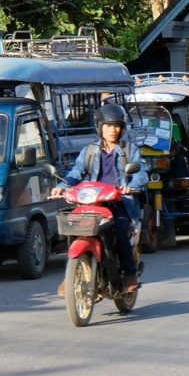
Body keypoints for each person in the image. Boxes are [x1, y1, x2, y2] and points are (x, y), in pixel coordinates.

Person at [64, 103, 146, 292]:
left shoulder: (129, 150)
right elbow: (76, 172)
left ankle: (129, 273)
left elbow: (141, 172)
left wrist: (130, 186)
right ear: (100, 127)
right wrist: (62, 186)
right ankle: (71, 275)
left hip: (119, 203)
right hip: (94, 202)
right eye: (108, 125)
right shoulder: (90, 151)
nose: (113, 130)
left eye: (117, 125)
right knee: (73, 228)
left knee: (119, 231)